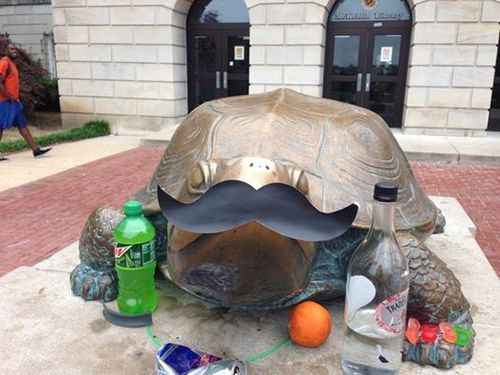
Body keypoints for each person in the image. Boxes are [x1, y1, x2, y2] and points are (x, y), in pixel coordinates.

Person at [0, 42, 51, 161]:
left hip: (14, 102)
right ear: (6, 50)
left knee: (22, 125)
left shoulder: (12, 64)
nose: (15, 51)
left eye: (16, 49)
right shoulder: (4, 63)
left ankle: (36, 150)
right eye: (12, 49)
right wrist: (10, 96)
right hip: (4, 102)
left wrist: (15, 97)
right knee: (1, 127)